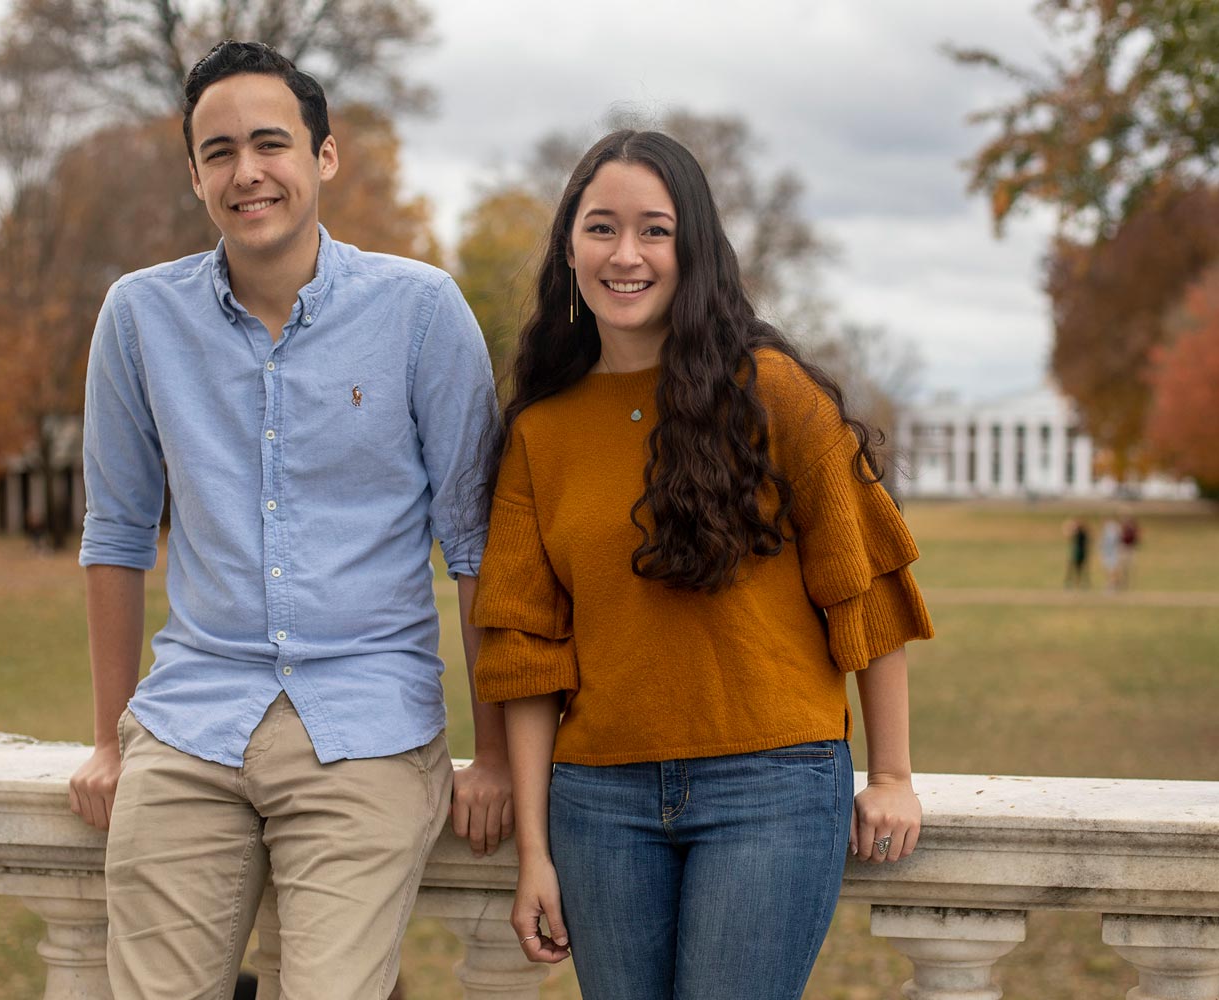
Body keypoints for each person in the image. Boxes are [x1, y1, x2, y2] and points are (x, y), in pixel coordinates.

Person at [69, 40, 512, 1000]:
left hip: (368, 727)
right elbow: (115, 536)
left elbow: (477, 545)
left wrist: (495, 753)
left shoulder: (421, 312)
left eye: (271, 143)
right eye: (218, 151)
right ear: (194, 175)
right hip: (191, 723)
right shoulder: (139, 319)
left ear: (324, 157)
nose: (247, 171)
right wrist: (109, 740)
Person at [470, 131, 934, 1000]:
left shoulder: (774, 393)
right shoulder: (540, 433)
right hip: (598, 804)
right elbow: (527, 657)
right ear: (570, 246)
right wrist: (534, 852)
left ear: (696, 249)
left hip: (773, 787)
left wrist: (894, 776)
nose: (627, 254)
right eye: (601, 228)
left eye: (655, 229)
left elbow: (862, 588)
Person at [1064, 518, 1089, 588]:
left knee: (1080, 569)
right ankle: (1069, 582)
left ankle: (1079, 583)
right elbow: (1067, 535)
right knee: (1071, 568)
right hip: (1075, 552)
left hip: (1080, 553)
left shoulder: (1082, 533)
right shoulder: (1077, 533)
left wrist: (1070, 526)